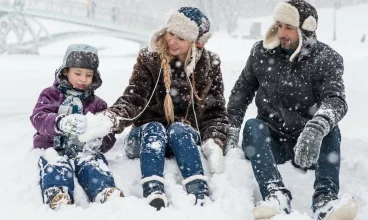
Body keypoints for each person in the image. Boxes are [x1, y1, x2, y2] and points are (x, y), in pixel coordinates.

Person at [83, 7, 228, 210]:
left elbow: (216, 112)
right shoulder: (150, 58)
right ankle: (153, 190)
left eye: (181, 38)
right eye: (171, 33)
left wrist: (214, 140)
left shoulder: (209, 64)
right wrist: (112, 118)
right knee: (154, 128)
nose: (172, 41)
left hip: (183, 139)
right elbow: (134, 98)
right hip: (145, 138)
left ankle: (198, 191)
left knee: (180, 128)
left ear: (196, 43)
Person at [226, 0, 358, 219]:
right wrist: (230, 131)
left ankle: (325, 200)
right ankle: (275, 194)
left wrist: (316, 127)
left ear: (305, 31)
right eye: (279, 25)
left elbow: (336, 99)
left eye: (289, 27)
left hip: (308, 144)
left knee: (330, 127)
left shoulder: (327, 59)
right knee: (252, 126)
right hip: (270, 142)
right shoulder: (261, 52)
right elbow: (241, 93)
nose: (281, 33)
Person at [30, 44, 124, 210]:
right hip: (53, 146)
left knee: (93, 163)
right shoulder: (50, 95)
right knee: (55, 164)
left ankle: (103, 190)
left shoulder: (98, 104)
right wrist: (60, 122)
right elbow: (39, 117)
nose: (83, 79)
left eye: (88, 75)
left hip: (83, 150)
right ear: (66, 71)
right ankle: (57, 193)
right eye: (78, 73)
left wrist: (99, 142)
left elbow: (107, 132)